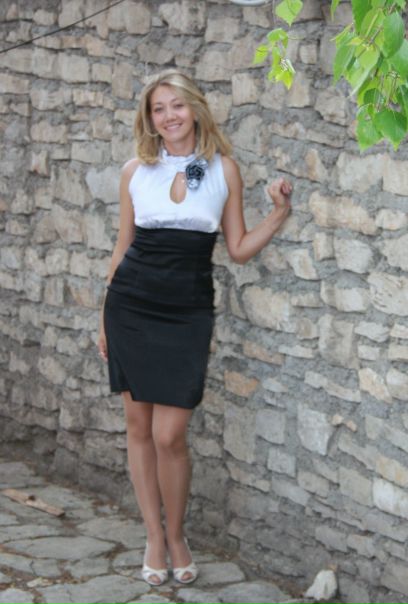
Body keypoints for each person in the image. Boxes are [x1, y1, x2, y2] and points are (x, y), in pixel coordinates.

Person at [98, 68, 291, 587]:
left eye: (177, 105)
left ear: (196, 109)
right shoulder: (135, 171)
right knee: (138, 428)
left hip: (186, 311)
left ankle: (177, 533)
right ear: (149, 118)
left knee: (170, 435)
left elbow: (238, 248)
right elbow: (121, 248)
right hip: (131, 306)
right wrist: (104, 319)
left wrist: (278, 214)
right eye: (158, 109)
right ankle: (154, 537)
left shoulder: (224, 169)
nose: (169, 116)